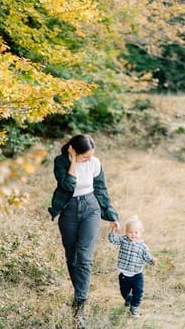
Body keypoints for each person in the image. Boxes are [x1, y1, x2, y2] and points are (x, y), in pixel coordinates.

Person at [48, 134, 120, 329]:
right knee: (72, 257)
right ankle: (78, 294)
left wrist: (112, 215)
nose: (89, 160)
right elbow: (67, 185)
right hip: (69, 210)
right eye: (84, 157)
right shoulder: (60, 162)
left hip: (91, 208)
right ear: (72, 150)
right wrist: (72, 161)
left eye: (90, 156)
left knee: (84, 257)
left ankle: (80, 305)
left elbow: (101, 189)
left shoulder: (95, 163)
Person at [108, 215, 156, 318]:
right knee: (124, 290)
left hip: (137, 274)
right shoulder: (124, 240)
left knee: (138, 291)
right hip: (124, 273)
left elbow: (146, 256)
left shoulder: (142, 246)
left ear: (141, 233)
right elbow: (113, 240)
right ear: (126, 232)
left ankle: (134, 308)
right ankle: (127, 299)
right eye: (130, 232)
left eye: (136, 232)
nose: (133, 235)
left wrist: (152, 260)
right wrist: (113, 230)